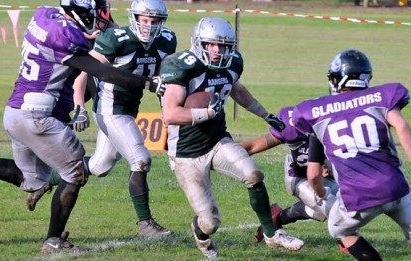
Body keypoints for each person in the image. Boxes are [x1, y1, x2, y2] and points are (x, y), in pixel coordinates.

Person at [0, 0, 164, 253]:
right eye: (96, 14)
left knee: (32, 180)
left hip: (15, 110)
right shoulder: (66, 35)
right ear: (80, 11)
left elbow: (77, 47)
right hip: (38, 115)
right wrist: (148, 83)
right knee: (75, 173)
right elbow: (103, 72)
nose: (101, 19)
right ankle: (54, 240)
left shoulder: (46, 14)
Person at [292, 49, 411, 260]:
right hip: (395, 187)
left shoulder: (317, 112)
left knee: (339, 230)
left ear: (338, 79)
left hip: (357, 195)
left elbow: (312, 175)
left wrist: (319, 195)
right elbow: (401, 125)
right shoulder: (380, 97)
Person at [160, 16, 304, 259]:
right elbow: (170, 114)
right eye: (212, 45)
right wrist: (206, 113)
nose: (218, 51)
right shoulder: (182, 66)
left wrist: (265, 114)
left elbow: (235, 88)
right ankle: (200, 234)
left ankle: (272, 234)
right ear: (200, 43)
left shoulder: (232, 64)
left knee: (253, 174)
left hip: (217, 141)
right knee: (210, 222)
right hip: (186, 154)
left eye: (224, 46)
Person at [62, 0, 177, 237]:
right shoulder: (117, 38)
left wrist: (167, 111)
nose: (149, 26)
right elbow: (84, 71)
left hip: (128, 109)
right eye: (144, 20)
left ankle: (47, 181)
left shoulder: (167, 40)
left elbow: (163, 80)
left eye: (154, 21)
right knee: (141, 159)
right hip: (110, 108)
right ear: (134, 18)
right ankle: (146, 224)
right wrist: (79, 106)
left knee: (98, 166)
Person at [239, 106, 338, 244]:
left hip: (327, 177)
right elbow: (252, 146)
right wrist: (220, 154)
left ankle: (276, 218)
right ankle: (348, 244)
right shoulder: (291, 125)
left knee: (321, 211)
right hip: (298, 175)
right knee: (334, 209)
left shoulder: (341, 129)